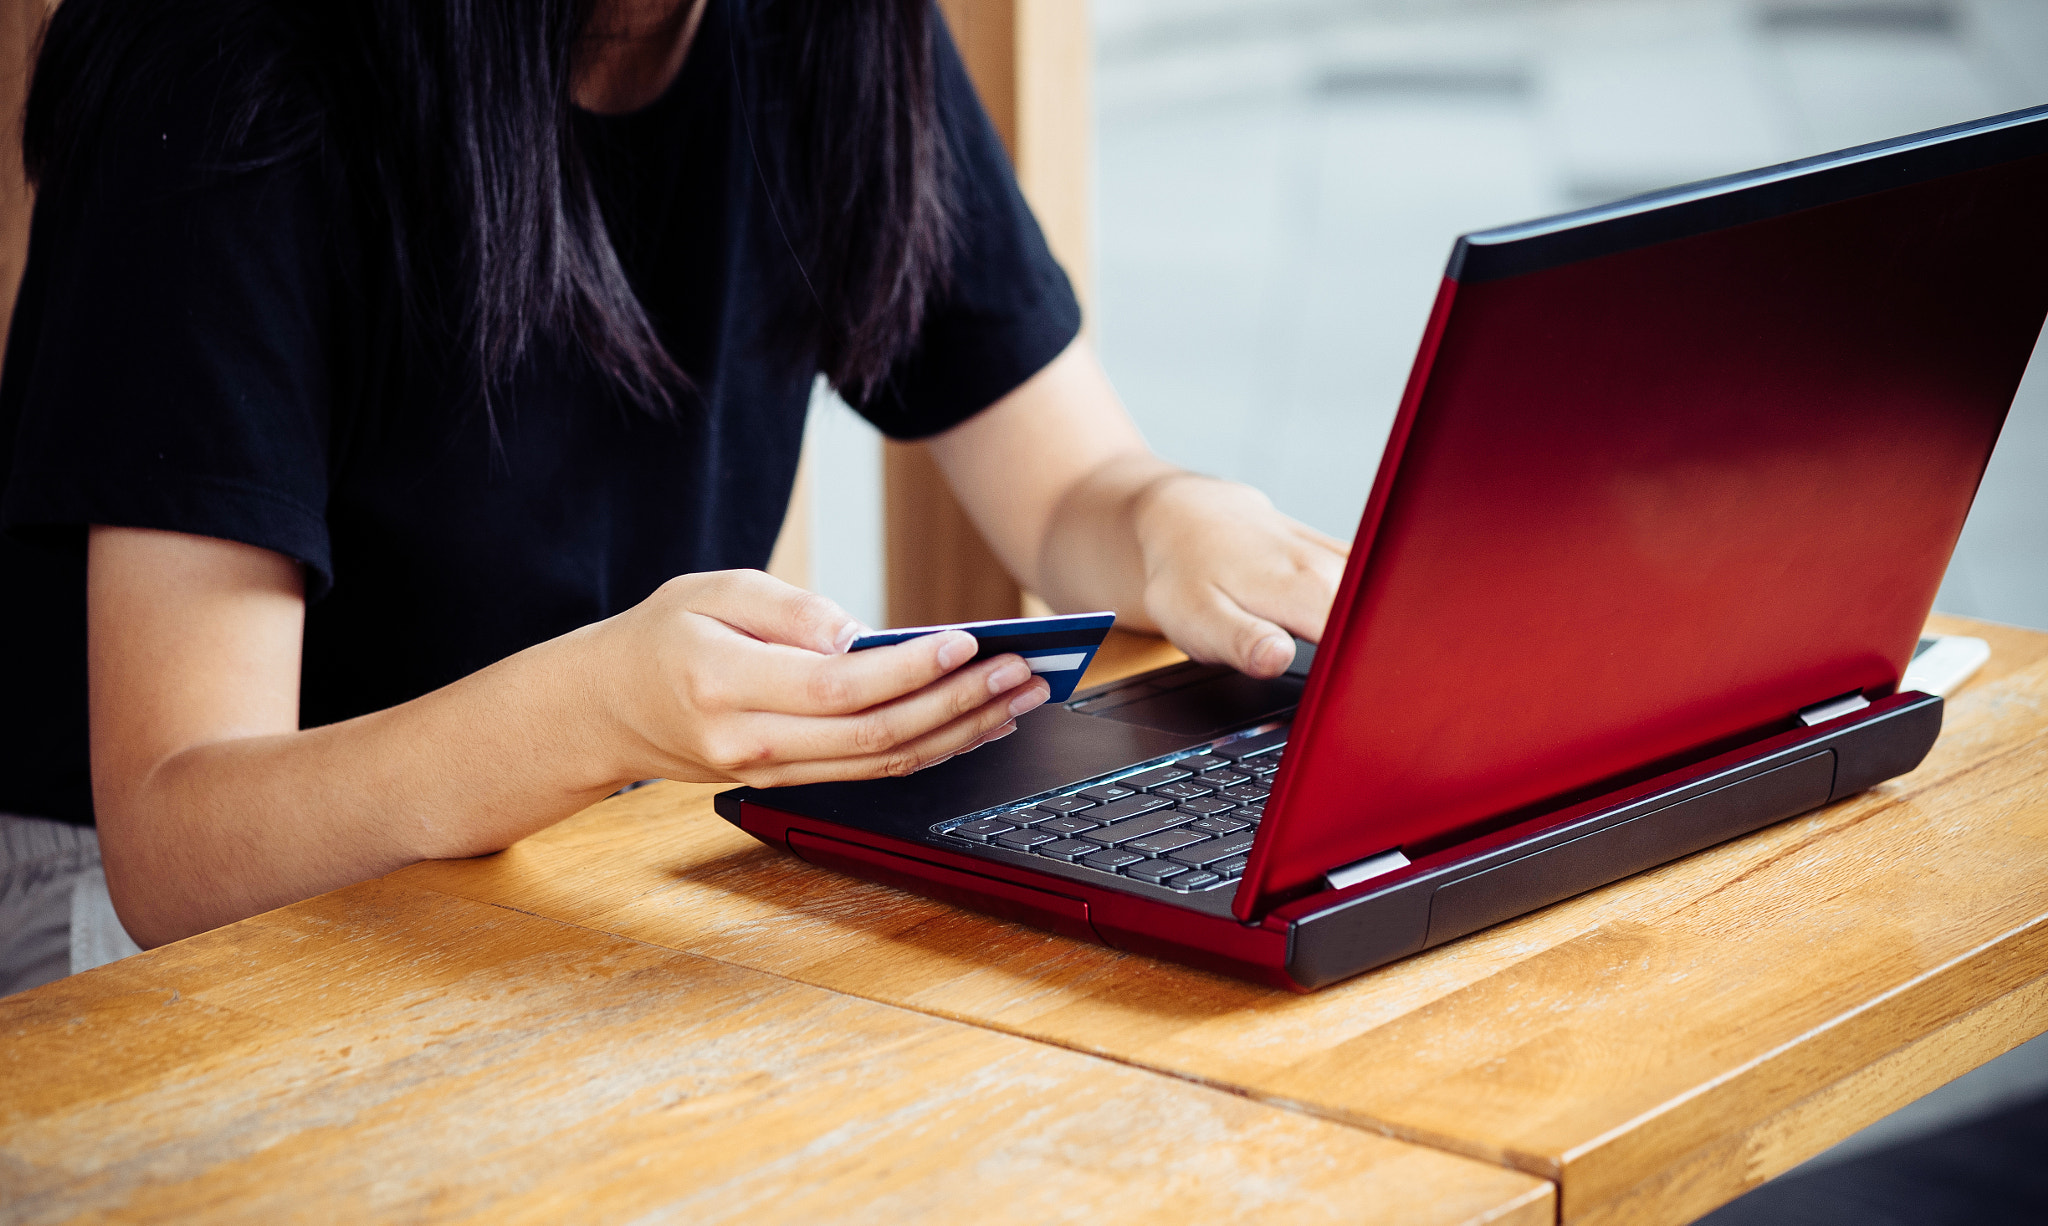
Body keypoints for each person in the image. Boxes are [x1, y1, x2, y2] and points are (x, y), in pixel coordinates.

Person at [0, 0, 1346, 995]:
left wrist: (1165, 514)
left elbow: (1064, 488)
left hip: (571, 852)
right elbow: (174, 837)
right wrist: (598, 712)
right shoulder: (227, 67)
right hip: (143, 927)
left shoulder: (836, 37)